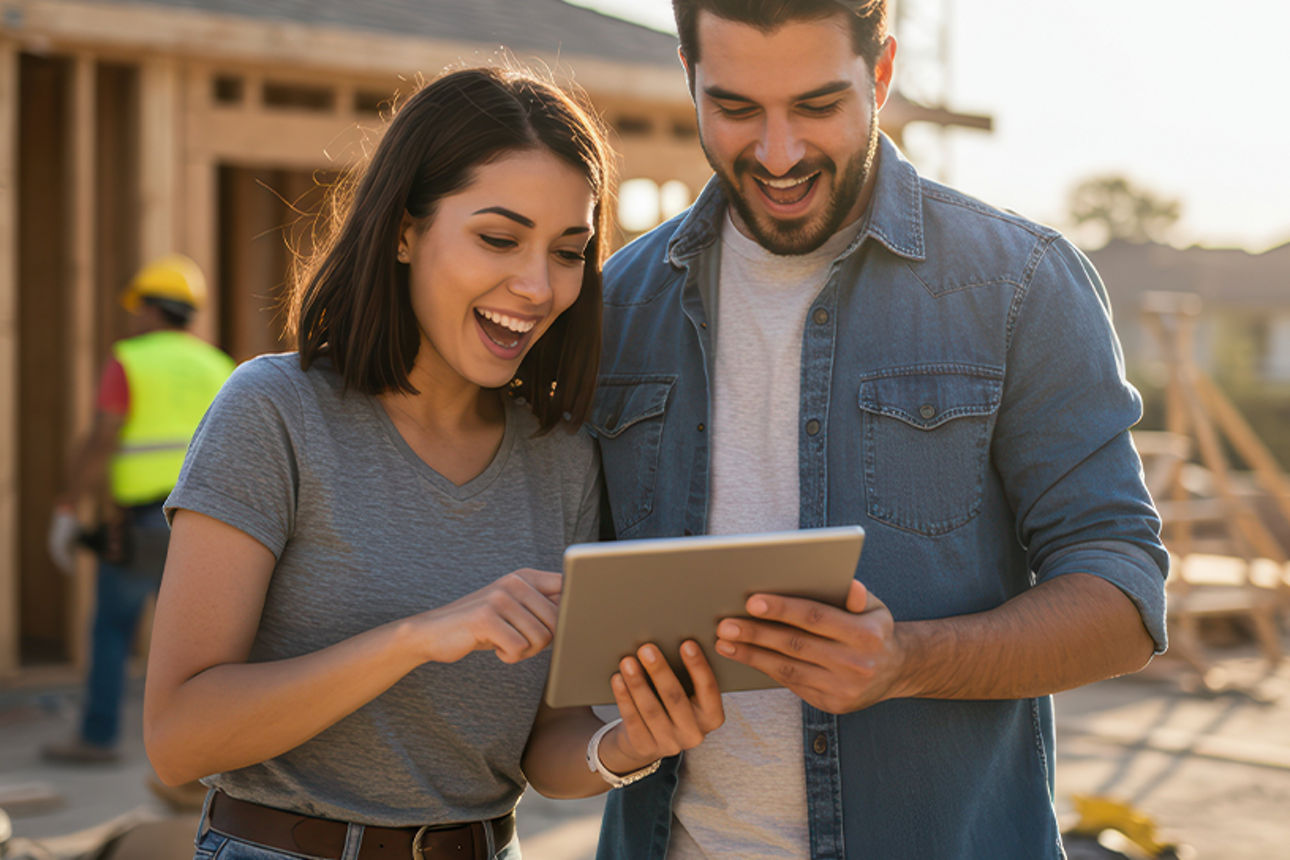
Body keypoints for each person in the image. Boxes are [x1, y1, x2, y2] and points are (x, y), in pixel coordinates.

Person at [590, 2, 1169, 858]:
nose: (778, 153)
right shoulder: (613, 306)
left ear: (883, 72)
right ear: (689, 74)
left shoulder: (1020, 286)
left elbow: (1124, 597)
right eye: (737, 108)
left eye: (818, 106)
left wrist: (908, 661)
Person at [142, 66, 724, 860]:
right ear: (404, 231)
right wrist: (418, 637)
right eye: (497, 238)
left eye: (568, 251)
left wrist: (626, 744)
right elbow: (178, 738)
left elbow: (542, 745)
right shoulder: (276, 411)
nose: (535, 285)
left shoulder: (563, 457)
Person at [44, 254, 234, 764]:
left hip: (144, 523)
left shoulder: (130, 360)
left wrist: (68, 506)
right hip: (206, 527)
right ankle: (211, 753)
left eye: (138, 308)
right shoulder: (220, 366)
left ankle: (98, 739)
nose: (134, 318)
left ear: (152, 309)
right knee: (204, 647)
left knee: (112, 629)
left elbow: (104, 437)